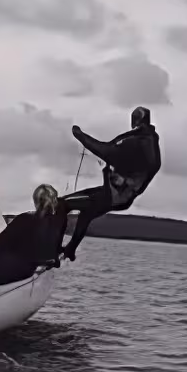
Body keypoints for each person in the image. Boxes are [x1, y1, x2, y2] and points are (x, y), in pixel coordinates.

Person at [58, 106, 161, 262]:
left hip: (113, 196)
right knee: (85, 214)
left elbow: (106, 151)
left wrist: (80, 136)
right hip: (116, 194)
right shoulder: (148, 141)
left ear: (136, 120)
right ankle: (70, 250)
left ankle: (50, 249)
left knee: (61, 204)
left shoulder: (141, 142)